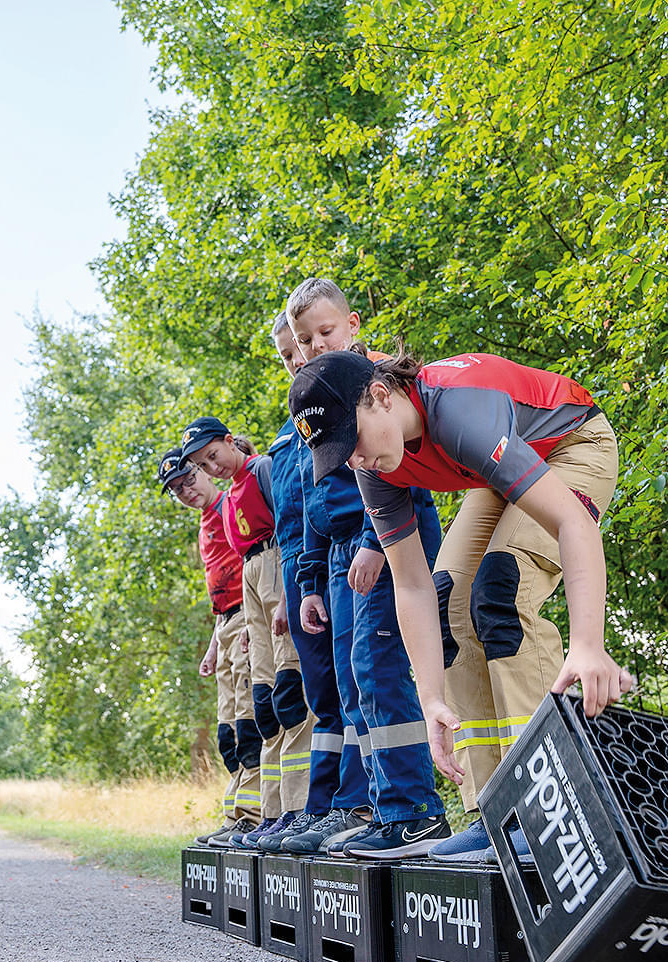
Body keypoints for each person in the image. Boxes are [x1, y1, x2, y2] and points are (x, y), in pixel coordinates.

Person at [287, 347, 629, 863]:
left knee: (501, 588)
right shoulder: (374, 464)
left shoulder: (457, 412)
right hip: (502, 467)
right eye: (339, 453)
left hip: (574, 442)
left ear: (380, 396)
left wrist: (588, 644)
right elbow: (412, 585)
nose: (354, 461)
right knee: (450, 600)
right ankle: (496, 814)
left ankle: (548, 809)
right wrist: (430, 701)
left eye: (351, 441)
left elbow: (572, 522)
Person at [282, 278, 452, 859]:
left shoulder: (375, 382)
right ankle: (382, 808)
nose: (313, 347)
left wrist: (374, 543)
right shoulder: (316, 395)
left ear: (352, 324)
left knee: (381, 669)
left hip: (384, 540)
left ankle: (416, 812)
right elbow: (312, 499)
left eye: (324, 333)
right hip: (343, 552)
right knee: (358, 678)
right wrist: (310, 578)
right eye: (303, 341)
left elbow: (408, 468)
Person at [249, 314, 371, 854]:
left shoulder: (350, 392)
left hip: (350, 551)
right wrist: (295, 584)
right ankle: (319, 804)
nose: (300, 356)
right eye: (290, 352)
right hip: (306, 565)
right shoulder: (292, 426)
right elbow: (295, 509)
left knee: (357, 683)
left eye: (305, 344)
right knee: (324, 692)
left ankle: (359, 801)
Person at [182, 417, 310, 847]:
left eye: (212, 456)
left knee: (291, 692)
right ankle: (271, 812)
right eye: (204, 464)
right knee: (265, 705)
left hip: (276, 566)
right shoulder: (233, 491)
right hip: (252, 582)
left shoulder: (262, 469)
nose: (212, 467)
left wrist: (291, 595)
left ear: (228, 441)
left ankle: (302, 806)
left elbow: (291, 528)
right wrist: (241, 629)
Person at [157, 447, 261, 846]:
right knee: (227, 732)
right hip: (226, 624)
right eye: (177, 489)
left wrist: (254, 621)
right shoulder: (204, 524)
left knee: (250, 722)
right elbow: (220, 593)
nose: (187, 491)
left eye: (189, 479)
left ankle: (256, 815)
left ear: (203, 471)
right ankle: (236, 814)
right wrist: (213, 646)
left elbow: (255, 565)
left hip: (248, 616)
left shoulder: (230, 504)